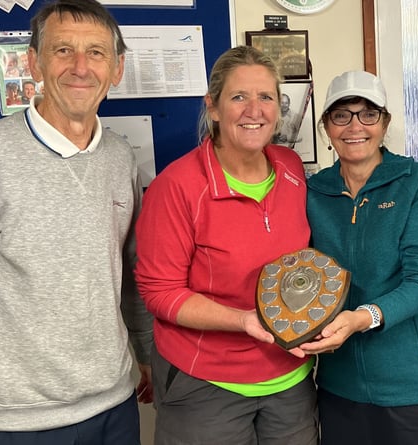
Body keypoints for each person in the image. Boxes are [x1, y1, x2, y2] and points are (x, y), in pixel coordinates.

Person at [0, 1, 154, 444]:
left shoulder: (121, 159)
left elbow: (131, 273)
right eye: (63, 50)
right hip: (15, 418)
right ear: (33, 60)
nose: (80, 67)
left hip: (113, 402)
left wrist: (145, 354)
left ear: (117, 68)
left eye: (96, 52)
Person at [134, 45, 318, 445]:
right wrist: (242, 320)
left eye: (266, 97)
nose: (255, 110)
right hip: (205, 383)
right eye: (239, 97)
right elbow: (158, 291)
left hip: (291, 381)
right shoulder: (177, 186)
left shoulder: (291, 169)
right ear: (213, 107)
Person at [297, 70, 418, 445]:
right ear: (326, 126)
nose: (355, 126)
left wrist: (364, 317)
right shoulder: (312, 191)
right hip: (339, 386)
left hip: (415, 382)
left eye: (368, 113)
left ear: (384, 122)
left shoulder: (416, 182)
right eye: (341, 115)